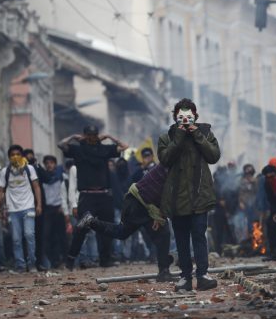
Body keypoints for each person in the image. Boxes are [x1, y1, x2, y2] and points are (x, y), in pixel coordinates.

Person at [158, 98, 220, 292]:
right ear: (175, 117)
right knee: (182, 240)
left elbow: (214, 156)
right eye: (181, 116)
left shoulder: (206, 133)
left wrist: (198, 135)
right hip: (177, 198)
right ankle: (185, 277)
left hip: (199, 196)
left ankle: (202, 275)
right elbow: (165, 159)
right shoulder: (167, 137)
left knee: (199, 237)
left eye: (189, 116)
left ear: (195, 116)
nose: (185, 120)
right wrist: (179, 137)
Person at [77, 164, 176, 282]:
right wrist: (160, 216)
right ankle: (91, 221)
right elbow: (164, 194)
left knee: (162, 234)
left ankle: (164, 270)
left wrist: (159, 216)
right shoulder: (169, 167)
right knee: (123, 232)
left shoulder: (170, 166)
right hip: (137, 202)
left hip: (145, 205)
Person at [59, 125, 128, 270]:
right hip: (87, 197)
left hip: (104, 196)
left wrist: (109, 137)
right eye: (88, 135)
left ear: (97, 136)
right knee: (81, 228)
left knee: (107, 229)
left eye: (94, 135)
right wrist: (73, 137)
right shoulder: (78, 150)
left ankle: (105, 260)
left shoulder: (104, 149)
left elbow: (124, 146)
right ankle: (71, 259)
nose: (91, 138)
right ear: (84, 136)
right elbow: (61, 145)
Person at [0, 145, 43, 272]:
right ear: (9, 157)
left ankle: (32, 263)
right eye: (12, 154)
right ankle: (20, 265)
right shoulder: (5, 172)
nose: (15, 156)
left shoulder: (29, 169)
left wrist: (39, 204)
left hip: (28, 207)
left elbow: (36, 187)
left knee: (29, 235)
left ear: (22, 156)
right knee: (16, 239)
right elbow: (0, 190)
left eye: (17, 154)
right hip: (13, 210)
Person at [40, 155, 68, 269]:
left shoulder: (62, 177)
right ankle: (54, 261)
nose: (49, 165)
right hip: (48, 210)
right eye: (47, 163)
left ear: (55, 164)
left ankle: (65, 261)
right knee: (48, 236)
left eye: (51, 162)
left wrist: (64, 206)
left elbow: (66, 192)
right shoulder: (42, 178)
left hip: (59, 209)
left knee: (62, 237)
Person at [23, 149, 48, 271]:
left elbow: (47, 177)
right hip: (24, 206)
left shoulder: (37, 169)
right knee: (26, 236)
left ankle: (39, 262)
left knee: (39, 236)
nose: (29, 159)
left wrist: (37, 166)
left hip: (38, 207)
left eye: (31, 157)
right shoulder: (20, 170)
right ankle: (26, 262)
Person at [238, 164, 258, 239]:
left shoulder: (256, 181)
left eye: (250, 174)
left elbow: (257, 192)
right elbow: (240, 193)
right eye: (247, 174)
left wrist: (253, 182)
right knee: (244, 222)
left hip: (254, 205)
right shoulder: (242, 182)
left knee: (254, 222)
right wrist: (241, 202)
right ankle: (246, 237)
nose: (249, 176)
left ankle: (253, 236)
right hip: (245, 204)